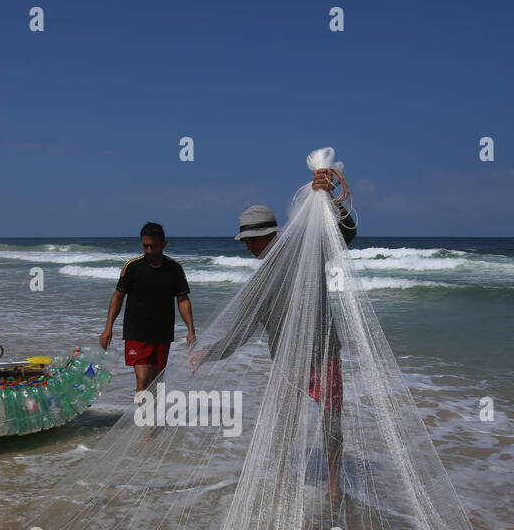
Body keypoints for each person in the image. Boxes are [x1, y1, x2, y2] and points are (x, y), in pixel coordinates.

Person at [189, 169, 356, 502]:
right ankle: (281, 483)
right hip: (287, 364)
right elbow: (242, 328)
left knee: (332, 426)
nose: (248, 247)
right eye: (246, 241)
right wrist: (210, 352)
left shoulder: (306, 251)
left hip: (324, 355)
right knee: (283, 429)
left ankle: (334, 483)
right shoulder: (260, 280)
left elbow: (347, 234)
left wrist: (333, 200)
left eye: (252, 240)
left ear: (270, 235)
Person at [99, 222, 195, 393]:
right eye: (145, 246)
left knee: (157, 383)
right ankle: (146, 419)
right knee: (143, 379)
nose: (149, 250)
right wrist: (108, 328)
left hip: (162, 333)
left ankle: (153, 419)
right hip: (136, 332)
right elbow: (118, 296)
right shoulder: (132, 267)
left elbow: (183, 300)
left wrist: (190, 330)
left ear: (164, 244)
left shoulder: (174, 269)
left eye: (153, 246)